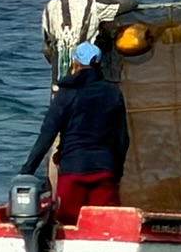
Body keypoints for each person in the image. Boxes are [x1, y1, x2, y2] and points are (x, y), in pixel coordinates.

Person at [23, 41, 129, 223]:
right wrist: (116, 171)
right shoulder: (113, 93)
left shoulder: (66, 94)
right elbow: (122, 138)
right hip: (105, 171)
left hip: (74, 171)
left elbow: (47, 135)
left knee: (67, 224)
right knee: (102, 224)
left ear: (75, 63)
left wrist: (27, 170)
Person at [41, 0, 136, 90]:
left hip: (59, 81)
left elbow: (47, 44)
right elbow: (129, 3)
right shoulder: (94, 6)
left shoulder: (51, 7)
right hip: (88, 79)